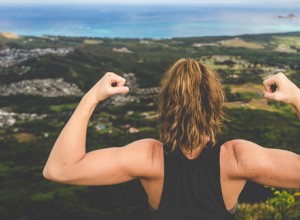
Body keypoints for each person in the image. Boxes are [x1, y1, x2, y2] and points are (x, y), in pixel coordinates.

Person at [43, 58, 300, 220]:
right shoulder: (238, 158)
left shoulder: (148, 157)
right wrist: (297, 97)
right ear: (215, 103)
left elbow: (59, 170)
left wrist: (91, 97)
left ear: (166, 104)